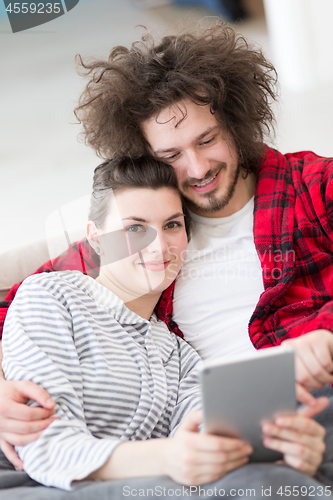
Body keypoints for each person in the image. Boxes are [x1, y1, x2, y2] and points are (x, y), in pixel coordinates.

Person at [1, 21, 333, 493]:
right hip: (237, 426)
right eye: (171, 154)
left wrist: (326, 336)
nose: (197, 169)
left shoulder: (314, 188)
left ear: (237, 124)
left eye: (207, 140)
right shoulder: (139, 236)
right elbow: (23, 305)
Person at [1, 156, 326, 499]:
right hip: (36, 483)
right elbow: (43, 447)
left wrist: (283, 450)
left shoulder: (180, 355)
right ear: (96, 239)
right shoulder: (52, 296)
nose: (158, 247)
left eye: (172, 225)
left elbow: (206, 438)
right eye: (135, 228)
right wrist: (168, 456)